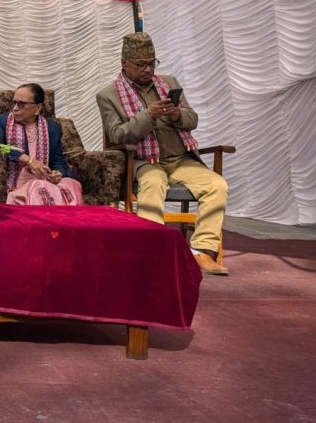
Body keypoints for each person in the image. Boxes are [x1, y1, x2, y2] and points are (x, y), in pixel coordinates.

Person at [96, 32, 229, 275]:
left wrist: (177, 115)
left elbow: (192, 119)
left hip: (181, 160)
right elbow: (117, 135)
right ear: (124, 63)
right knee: (154, 182)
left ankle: (202, 250)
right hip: (143, 161)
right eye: (141, 64)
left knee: (216, 185)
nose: (148, 69)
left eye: (152, 63)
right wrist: (149, 116)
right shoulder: (108, 95)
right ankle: (154, 251)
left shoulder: (169, 83)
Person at [0, 83, 83, 206]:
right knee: (38, 185)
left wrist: (58, 173)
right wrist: (28, 160)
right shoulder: (3, 122)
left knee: (71, 184)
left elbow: (59, 162)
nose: (15, 108)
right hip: (21, 182)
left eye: (22, 104)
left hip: (46, 181)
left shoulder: (52, 128)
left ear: (38, 108)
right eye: (14, 103)